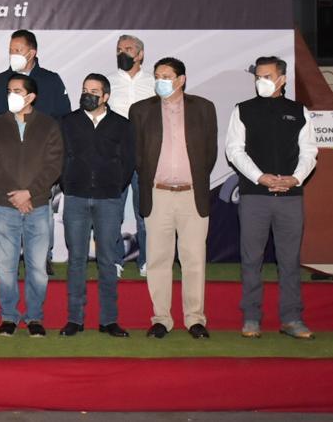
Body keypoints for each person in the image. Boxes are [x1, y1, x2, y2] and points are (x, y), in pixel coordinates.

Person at [225, 56, 318, 340]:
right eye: (258, 77)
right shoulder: (243, 110)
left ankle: (291, 318)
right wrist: (260, 177)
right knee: (251, 259)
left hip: (290, 196)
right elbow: (234, 150)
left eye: (267, 76)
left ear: (282, 79)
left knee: (289, 260)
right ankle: (251, 318)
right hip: (255, 196)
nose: (261, 81)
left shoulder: (299, 111)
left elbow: (309, 151)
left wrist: (296, 178)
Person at [129, 58, 217, 340]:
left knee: (194, 259)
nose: (160, 81)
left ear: (181, 80)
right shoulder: (141, 110)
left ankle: (195, 319)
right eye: (157, 75)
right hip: (158, 194)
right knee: (158, 259)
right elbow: (137, 155)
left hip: (192, 194)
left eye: (166, 76)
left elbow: (210, 153)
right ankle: (161, 319)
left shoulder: (203, 108)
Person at [0, 29, 70, 277]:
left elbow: (63, 117)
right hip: (8, 161)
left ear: (32, 52)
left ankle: (44, 257)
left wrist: (46, 144)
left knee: (43, 209)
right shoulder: (1, 81)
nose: (13, 54)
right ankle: (6, 257)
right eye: (10, 50)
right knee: (7, 207)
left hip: (40, 162)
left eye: (18, 50)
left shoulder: (51, 80)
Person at [0, 73, 64, 337]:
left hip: (38, 205)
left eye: (17, 91)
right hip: (6, 205)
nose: (11, 95)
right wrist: (15, 195)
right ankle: (8, 316)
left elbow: (54, 164)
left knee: (37, 267)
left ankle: (34, 317)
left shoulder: (48, 125)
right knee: (5, 267)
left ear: (31, 96)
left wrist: (30, 192)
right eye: (9, 90)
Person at [59, 74, 135, 338]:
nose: (87, 95)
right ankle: (74, 319)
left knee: (107, 260)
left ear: (106, 96)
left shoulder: (122, 125)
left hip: (108, 200)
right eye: (84, 89)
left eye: (93, 91)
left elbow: (128, 162)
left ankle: (109, 320)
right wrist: (68, 183)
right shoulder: (68, 122)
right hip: (75, 198)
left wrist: (114, 186)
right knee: (76, 260)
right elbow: (59, 157)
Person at [109, 34, 155, 277]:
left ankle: (146, 260)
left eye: (127, 49)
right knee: (113, 211)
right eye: (119, 49)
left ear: (140, 54)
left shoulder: (154, 82)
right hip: (116, 156)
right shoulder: (108, 82)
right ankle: (115, 260)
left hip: (145, 155)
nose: (122, 53)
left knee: (145, 211)